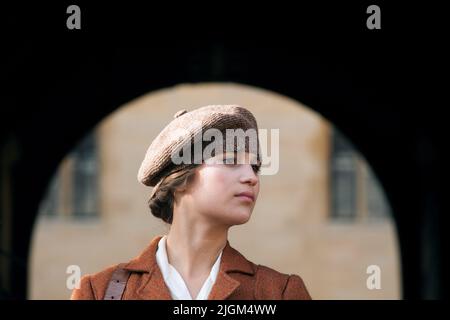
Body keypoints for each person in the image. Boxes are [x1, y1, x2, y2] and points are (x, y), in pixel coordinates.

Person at [71, 104, 311, 300]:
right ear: (181, 179)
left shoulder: (279, 293)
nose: (251, 177)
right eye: (230, 161)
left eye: (255, 167)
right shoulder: (99, 292)